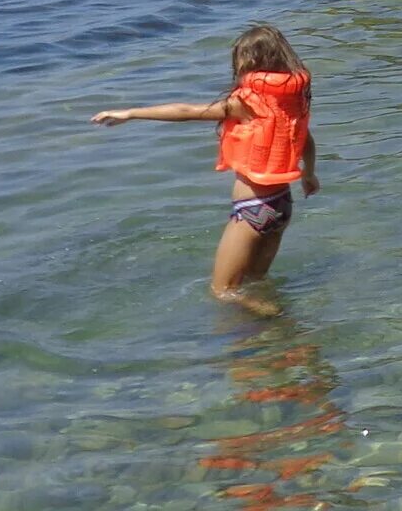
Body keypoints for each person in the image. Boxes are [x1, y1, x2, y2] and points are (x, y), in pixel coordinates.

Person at [90, 23, 320, 311]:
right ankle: (269, 338)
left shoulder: (247, 104)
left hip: (253, 211)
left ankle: (276, 316)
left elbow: (187, 111)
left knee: (223, 291)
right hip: (281, 206)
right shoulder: (292, 104)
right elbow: (306, 140)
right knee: (256, 281)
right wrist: (309, 175)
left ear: (249, 62)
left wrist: (131, 113)